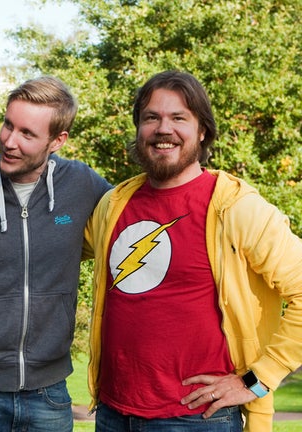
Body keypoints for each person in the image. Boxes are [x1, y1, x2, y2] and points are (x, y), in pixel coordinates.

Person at [84, 70, 302, 431]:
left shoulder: (237, 208)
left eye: (178, 118)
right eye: (151, 117)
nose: (163, 129)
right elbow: (53, 243)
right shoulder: (113, 204)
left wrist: (257, 379)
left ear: (202, 131)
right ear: (138, 128)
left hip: (198, 419)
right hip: (113, 413)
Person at [0, 76, 111, 431]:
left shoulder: (82, 184)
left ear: (57, 141)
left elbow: (138, 214)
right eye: (8, 125)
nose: (9, 141)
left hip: (49, 394)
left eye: (27, 134)